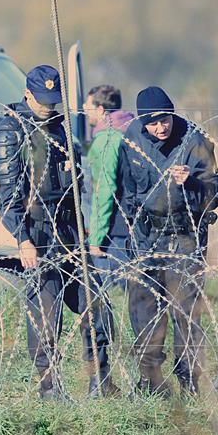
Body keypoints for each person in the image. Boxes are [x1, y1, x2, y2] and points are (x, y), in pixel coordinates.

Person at [0, 65, 118, 399]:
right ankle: (50, 389)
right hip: (38, 234)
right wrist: (23, 239)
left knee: (97, 305)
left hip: (70, 232)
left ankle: (100, 382)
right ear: (28, 94)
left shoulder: (60, 129)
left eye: (54, 100)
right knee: (46, 318)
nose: (50, 106)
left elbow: (74, 181)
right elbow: (6, 197)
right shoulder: (10, 131)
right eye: (44, 100)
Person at [120, 86, 218, 396]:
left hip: (185, 236)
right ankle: (150, 379)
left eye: (165, 119)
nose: (160, 127)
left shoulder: (194, 141)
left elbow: (216, 191)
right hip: (147, 236)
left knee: (186, 311)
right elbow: (126, 192)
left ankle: (189, 379)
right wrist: (134, 237)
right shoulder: (132, 140)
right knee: (144, 310)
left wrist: (191, 181)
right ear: (142, 123)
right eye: (152, 122)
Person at [83, 85, 135, 291]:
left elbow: (104, 189)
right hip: (134, 222)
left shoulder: (106, 139)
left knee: (110, 293)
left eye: (87, 105)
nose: (84, 109)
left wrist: (95, 237)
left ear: (100, 109)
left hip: (115, 229)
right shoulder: (130, 130)